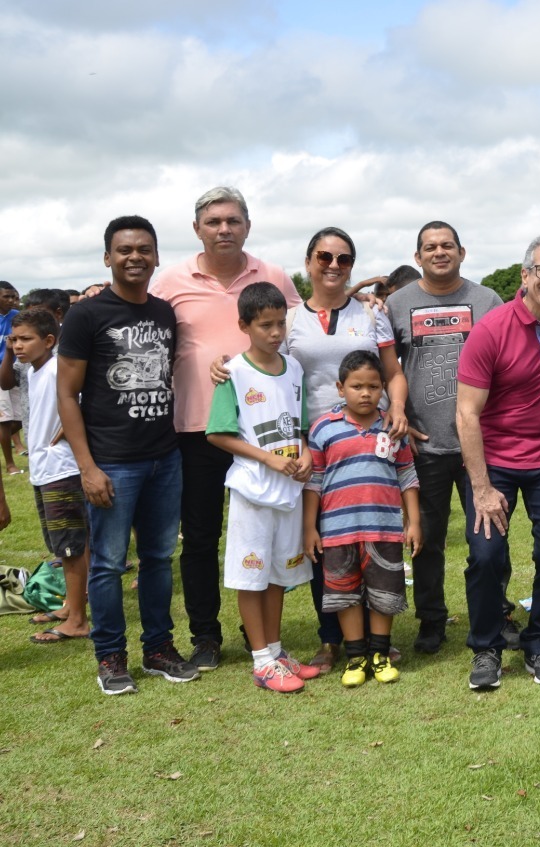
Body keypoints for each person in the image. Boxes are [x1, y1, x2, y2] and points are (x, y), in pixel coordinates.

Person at [151, 187, 302, 672]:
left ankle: (258, 632)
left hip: (263, 439)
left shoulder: (273, 275)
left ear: (247, 226)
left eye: (233, 221)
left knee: (266, 533)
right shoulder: (170, 280)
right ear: (197, 228)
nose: (224, 229)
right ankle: (206, 635)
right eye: (214, 221)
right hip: (199, 428)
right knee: (199, 538)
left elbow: (297, 330)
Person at [58, 216, 197, 695]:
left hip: (165, 456)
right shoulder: (86, 316)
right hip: (113, 461)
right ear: (107, 258)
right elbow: (66, 394)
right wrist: (88, 467)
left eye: (143, 249)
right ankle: (110, 656)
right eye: (124, 250)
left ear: (156, 256)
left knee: (160, 557)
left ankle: (158, 647)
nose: (134, 257)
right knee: (109, 564)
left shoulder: (163, 313)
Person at [456, 236, 540, 689]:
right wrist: (480, 487)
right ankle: (487, 647)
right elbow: (466, 413)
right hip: (493, 458)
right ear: (526, 275)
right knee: (487, 554)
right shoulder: (491, 329)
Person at [282, 227, 410, 672]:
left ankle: (375, 641)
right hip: (314, 442)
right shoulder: (289, 319)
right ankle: (332, 640)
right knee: (326, 542)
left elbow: (392, 372)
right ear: (308, 262)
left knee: (370, 540)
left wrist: (397, 409)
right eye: (324, 256)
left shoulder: (372, 313)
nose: (334, 266)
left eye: (344, 259)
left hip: (369, 436)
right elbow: (271, 370)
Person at [386, 222, 503, 656]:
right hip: (425, 443)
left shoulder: (487, 300)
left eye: (447, 245)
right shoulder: (396, 304)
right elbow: (387, 368)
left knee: (487, 539)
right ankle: (431, 620)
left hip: (480, 443)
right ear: (417, 257)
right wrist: (396, 413)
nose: (439, 252)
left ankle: (497, 612)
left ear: (462, 252)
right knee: (427, 539)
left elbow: (504, 364)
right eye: (430, 247)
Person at [205, 283, 318, 693]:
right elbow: (218, 433)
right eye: (264, 325)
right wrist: (268, 458)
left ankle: (276, 651)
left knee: (277, 575)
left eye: (279, 325)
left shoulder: (295, 369)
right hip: (253, 491)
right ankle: (260, 661)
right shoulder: (233, 372)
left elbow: (300, 426)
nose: (275, 333)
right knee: (251, 575)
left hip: (288, 491)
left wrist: (304, 453)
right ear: (244, 326)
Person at [304, 350, 421, 688]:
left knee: (383, 593)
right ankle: (356, 657)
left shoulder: (392, 427)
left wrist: (413, 522)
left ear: (383, 388)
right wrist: (309, 527)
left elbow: (407, 475)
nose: (365, 393)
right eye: (357, 386)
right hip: (337, 531)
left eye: (373, 386)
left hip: (383, 529)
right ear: (341, 388)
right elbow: (313, 481)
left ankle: (380, 655)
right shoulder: (323, 428)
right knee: (346, 594)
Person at [9, 309, 89, 643]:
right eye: (13, 339)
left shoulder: (58, 367)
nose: (17, 346)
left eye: (25, 339)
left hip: (62, 469)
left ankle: (79, 620)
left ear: (49, 341)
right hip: (44, 469)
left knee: (70, 546)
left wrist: (72, 424)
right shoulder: (33, 370)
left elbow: (87, 397)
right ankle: (71, 605)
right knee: (62, 545)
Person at [0, 281, 22, 475]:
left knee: (21, 417)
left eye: (13, 297)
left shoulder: (17, 317)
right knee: (5, 421)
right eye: (7, 296)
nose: (11, 301)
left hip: (16, 370)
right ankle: (9, 464)